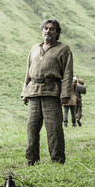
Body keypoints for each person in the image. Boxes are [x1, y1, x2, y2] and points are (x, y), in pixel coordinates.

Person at [20, 19, 73, 165]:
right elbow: (28, 72)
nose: (48, 31)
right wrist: (24, 91)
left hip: (52, 92)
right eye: (45, 28)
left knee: (54, 129)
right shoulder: (34, 48)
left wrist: (65, 94)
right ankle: (31, 160)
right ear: (42, 30)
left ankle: (57, 160)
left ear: (57, 32)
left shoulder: (63, 49)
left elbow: (68, 74)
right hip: (33, 92)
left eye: (52, 29)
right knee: (32, 128)